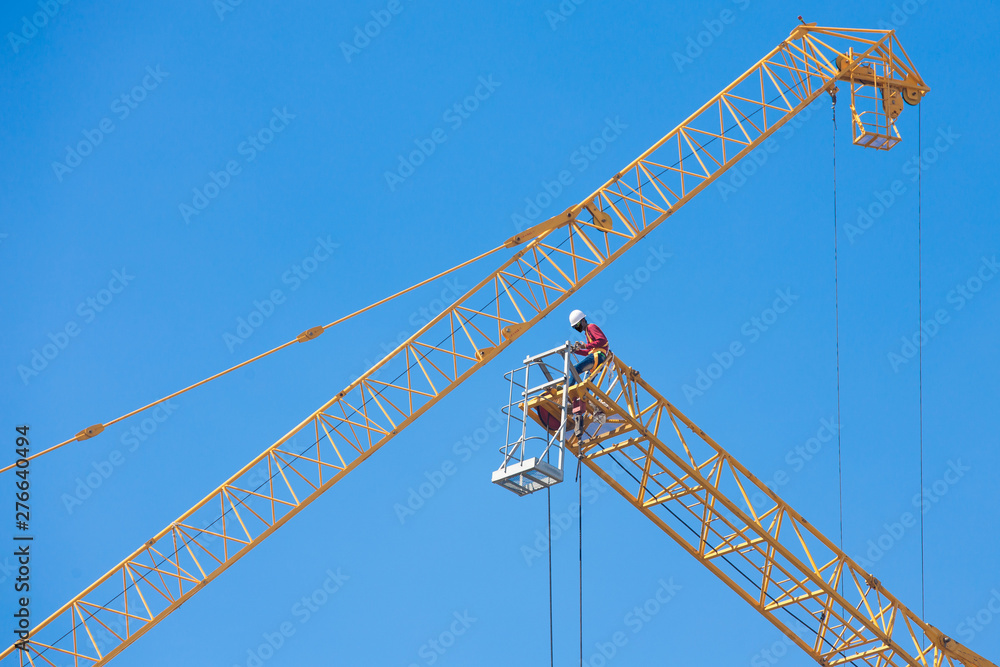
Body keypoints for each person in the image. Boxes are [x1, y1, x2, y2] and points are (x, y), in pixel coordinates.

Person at [568, 309, 610, 378]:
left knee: (574, 369)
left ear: (583, 321)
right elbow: (589, 352)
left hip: (598, 356)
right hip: (597, 357)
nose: (576, 328)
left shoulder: (591, 327)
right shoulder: (587, 332)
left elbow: (602, 340)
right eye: (574, 327)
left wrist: (586, 346)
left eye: (577, 325)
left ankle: (567, 388)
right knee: (585, 386)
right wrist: (577, 351)